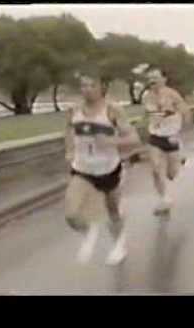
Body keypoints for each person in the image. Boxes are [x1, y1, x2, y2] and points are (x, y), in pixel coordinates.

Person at [64, 73, 141, 265]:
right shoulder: (74, 110)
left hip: (109, 169)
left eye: (92, 85)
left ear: (101, 88)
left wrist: (110, 141)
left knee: (113, 211)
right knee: (71, 215)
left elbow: (134, 139)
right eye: (83, 86)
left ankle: (119, 246)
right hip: (82, 169)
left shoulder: (113, 111)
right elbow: (68, 130)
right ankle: (89, 230)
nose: (87, 89)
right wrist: (69, 150)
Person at [143, 68, 192, 217]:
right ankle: (164, 199)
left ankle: (180, 159)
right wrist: (153, 119)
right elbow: (149, 114)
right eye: (150, 78)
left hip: (172, 136)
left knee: (171, 174)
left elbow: (186, 113)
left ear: (164, 79)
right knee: (156, 170)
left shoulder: (172, 95)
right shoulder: (146, 96)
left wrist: (179, 134)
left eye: (155, 78)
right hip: (155, 137)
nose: (152, 81)